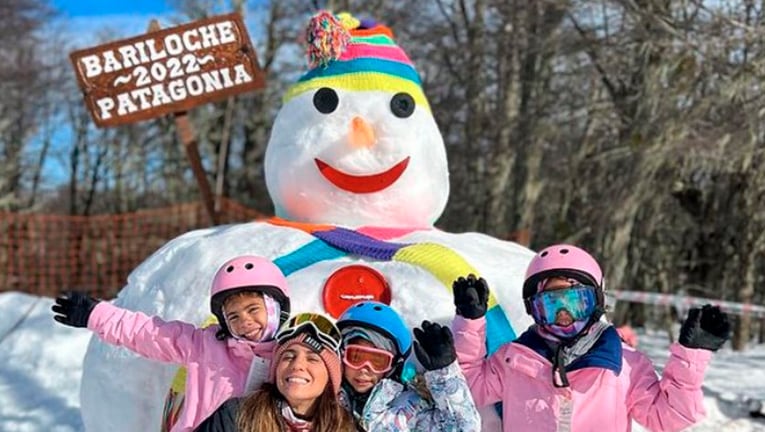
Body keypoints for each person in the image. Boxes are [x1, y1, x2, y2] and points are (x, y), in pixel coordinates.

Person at [451, 244, 732, 432]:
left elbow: (670, 416)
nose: (564, 315)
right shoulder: (514, 358)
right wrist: (470, 323)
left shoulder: (625, 365)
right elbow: (472, 388)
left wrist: (692, 355)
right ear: (533, 309)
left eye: (575, 302)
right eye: (550, 304)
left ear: (596, 301)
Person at [51, 255, 291, 432]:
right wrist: (96, 315)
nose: (245, 321)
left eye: (253, 309)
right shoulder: (205, 346)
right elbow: (151, 333)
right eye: (234, 316)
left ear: (275, 308)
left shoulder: (290, 358)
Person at [194, 312, 356, 432]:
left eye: (312, 359)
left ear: (331, 377)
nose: (297, 365)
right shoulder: (237, 416)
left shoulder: (347, 428)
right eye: (288, 356)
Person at [336, 301, 481, 431]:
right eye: (356, 357)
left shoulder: (409, 410)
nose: (364, 369)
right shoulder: (327, 401)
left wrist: (444, 374)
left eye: (377, 361)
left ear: (393, 366)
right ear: (342, 355)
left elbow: (464, 428)